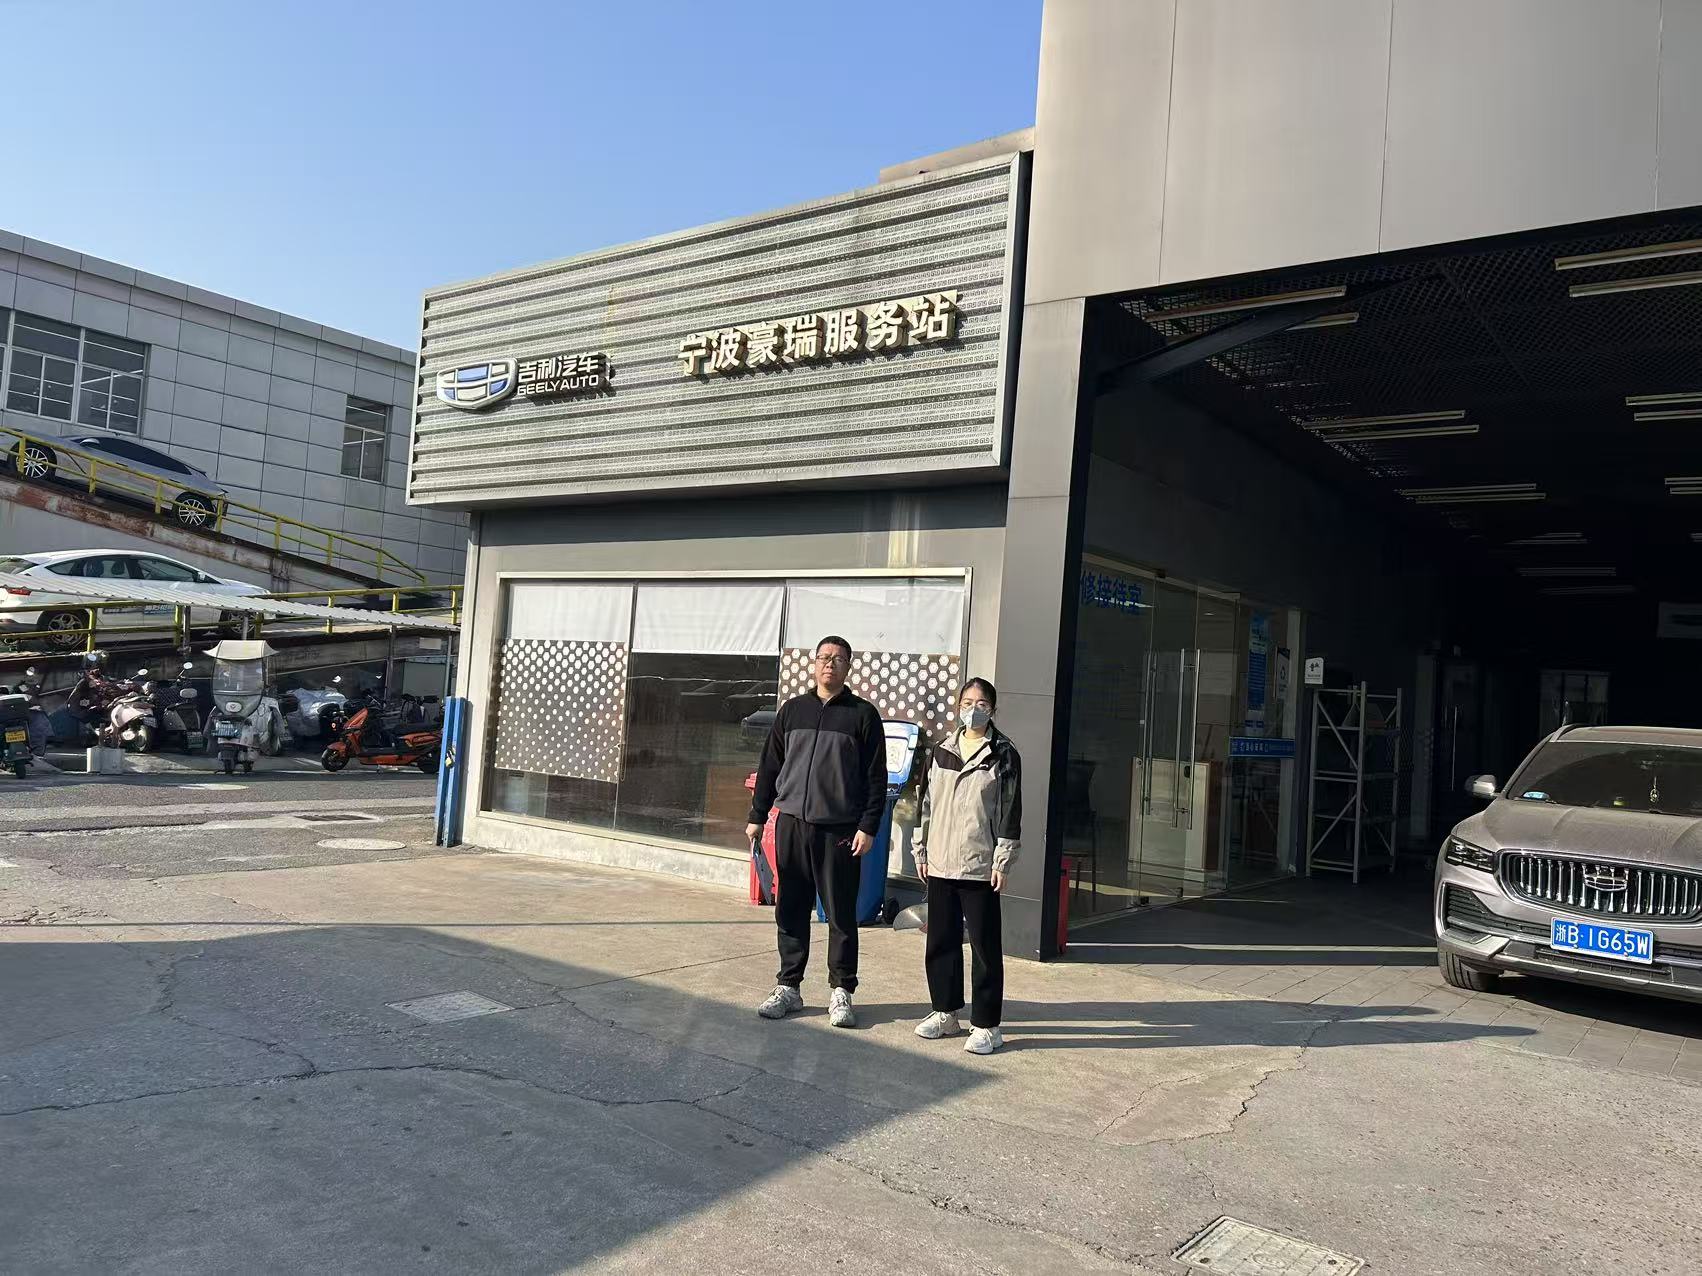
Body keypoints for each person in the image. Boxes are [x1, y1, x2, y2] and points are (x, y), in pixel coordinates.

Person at [747, 635, 886, 1028]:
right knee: (791, 907)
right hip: (791, 823)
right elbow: (770, 766)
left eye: (838, 659)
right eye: (824, 657)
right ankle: (789, 986)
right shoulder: (793, 711)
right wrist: (758, 815)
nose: (830, 664)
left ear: (848, 667)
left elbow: (876, 778)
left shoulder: (862, 715)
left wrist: (868, 826)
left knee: (840, 913)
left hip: (839, 829)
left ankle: (841, 991)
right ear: (814, 663)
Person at [911, 678, 1021, 1055]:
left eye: (982, 704)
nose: (974, 709)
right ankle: (945, 1012)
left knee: (984, 946)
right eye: (967, 702)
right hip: (941, 861)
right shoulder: (942, 750)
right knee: (940, 940)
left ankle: (988, 1025)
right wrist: (921, 850)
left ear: (993, 709)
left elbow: (1010, 810)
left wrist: (1002, 860)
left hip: (980, 863)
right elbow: (925, 803)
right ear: (958, 706)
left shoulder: (1003, 753)